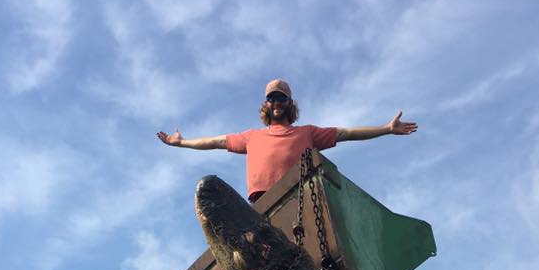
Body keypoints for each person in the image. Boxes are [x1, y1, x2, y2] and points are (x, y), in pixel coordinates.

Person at [157, 78, 418, 202]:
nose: (276, 102)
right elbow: (215, 141)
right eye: (271, 98)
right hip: (262, 200)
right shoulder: (252, 137)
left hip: (300, 197)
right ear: (266, 104)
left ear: (288, 103)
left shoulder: (306, 133)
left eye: (281, 98)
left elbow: (346, 133)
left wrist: (386, 128)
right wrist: (183, 143)